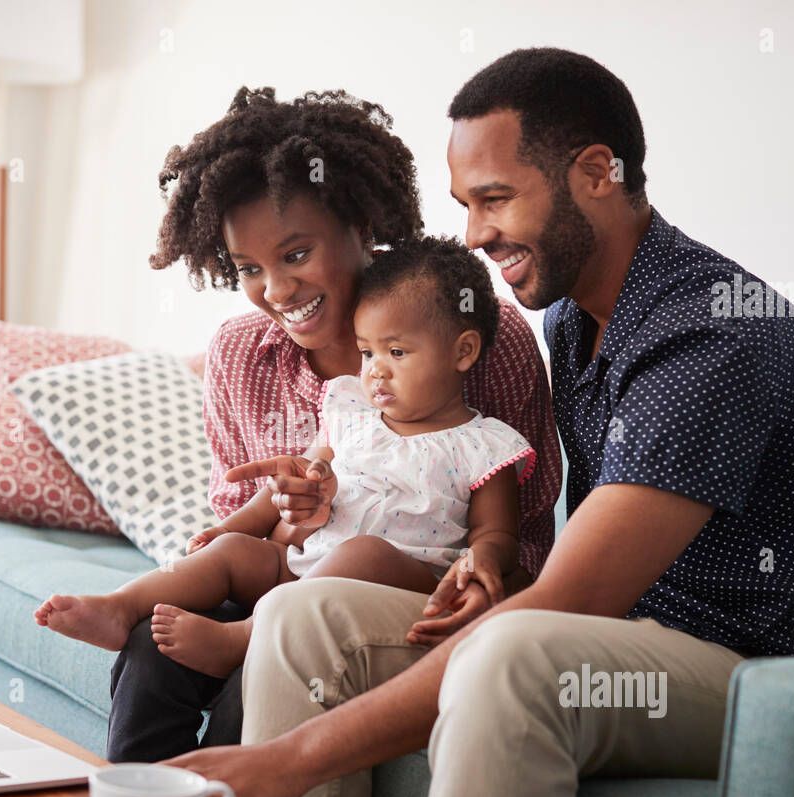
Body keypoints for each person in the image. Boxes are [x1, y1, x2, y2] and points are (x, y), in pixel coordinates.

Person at [166, 47, 794, 797]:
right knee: (305, 615)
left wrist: (288, 761)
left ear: (596, 172)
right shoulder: (575, 318)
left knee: (511, 658)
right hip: (639, 635)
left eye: (494, 200)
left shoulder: (709, 336)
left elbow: (575, 597)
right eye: (466, 204)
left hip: (784, 678)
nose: (476, 234)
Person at [102, 86, 563, 763]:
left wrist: (477, 577)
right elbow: (246, 531)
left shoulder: (476, 331)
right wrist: (294, 519)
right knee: (149, 650)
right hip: (284, 575)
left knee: (262, 681)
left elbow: (523, 545)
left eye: (295, 255)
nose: (277, 291)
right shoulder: (240, 355)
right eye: (250, 269)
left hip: (392, 597)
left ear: (361, 223)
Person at [35, 236, 538, 677]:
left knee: (363, 551)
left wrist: (482, 565)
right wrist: (233, 529)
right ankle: (121, 606)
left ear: (463, 352)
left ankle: (243, 640)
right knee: (234, 555)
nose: (376, 372)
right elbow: (298, 481)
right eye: (367, 353)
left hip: (399, 581)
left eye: (397, 353)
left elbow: (497, 534)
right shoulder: (349, 412)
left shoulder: (485, 444)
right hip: (304, 564)